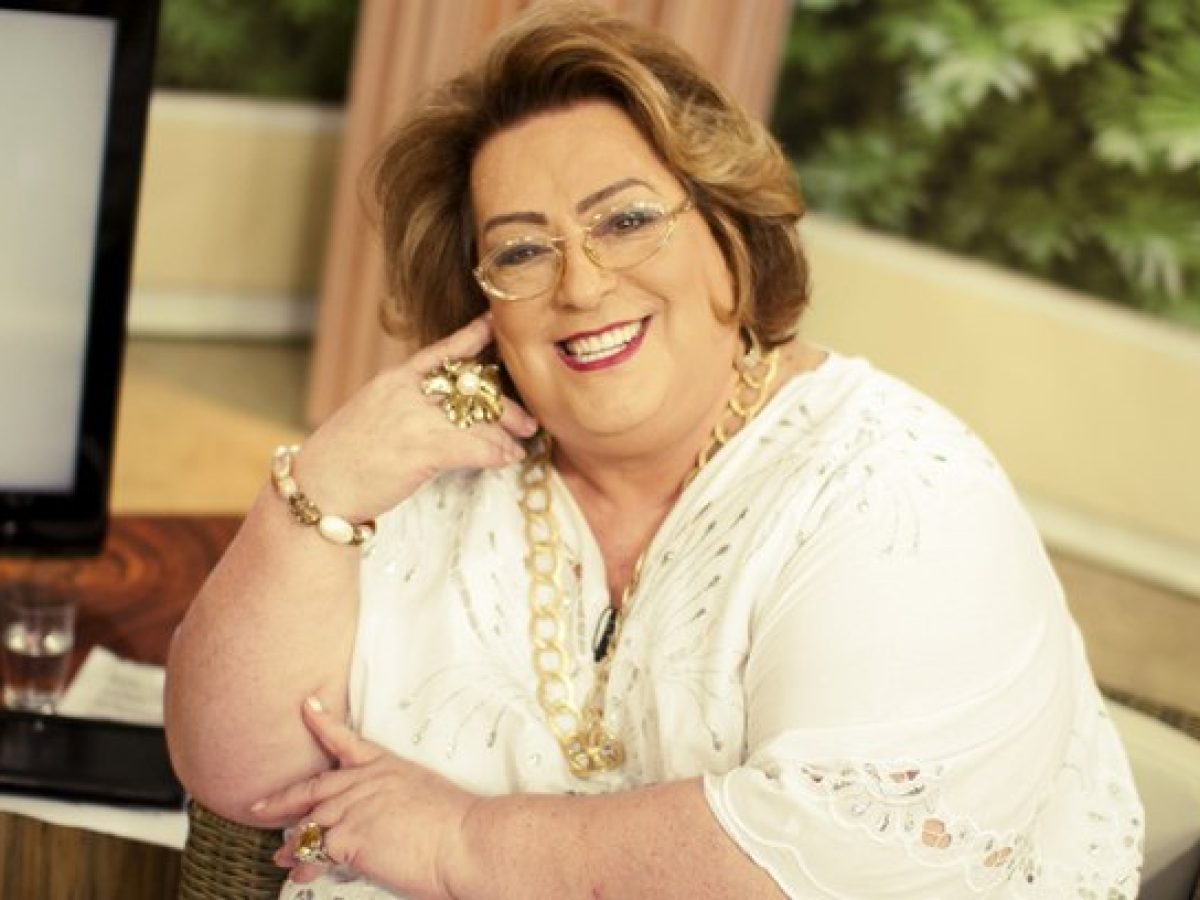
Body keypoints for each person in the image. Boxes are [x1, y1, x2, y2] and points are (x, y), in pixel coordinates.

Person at [164, 4, 1144, 898]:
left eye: (627, 220)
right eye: (521, 249)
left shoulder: (895, 485)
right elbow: (245, 775)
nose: (582, 285)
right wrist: (321, 491)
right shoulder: (429, 470)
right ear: (479, 301)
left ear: (730, 230)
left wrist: (461, 839)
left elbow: (845, 858)